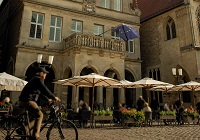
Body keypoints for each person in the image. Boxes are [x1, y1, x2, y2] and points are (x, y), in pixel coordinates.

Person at [18, 67, 60, 140]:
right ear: (41, 73)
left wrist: (47, 99)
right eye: (45, 73)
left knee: (36, 116)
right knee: (40, 115)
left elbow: (39, 93)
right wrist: (54, 97)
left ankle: (23, 130)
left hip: (25, 100)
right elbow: (44, 89)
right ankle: (35, 135)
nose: (46, 75)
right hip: (27, 100)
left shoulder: (36, 80)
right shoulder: (38, 79)